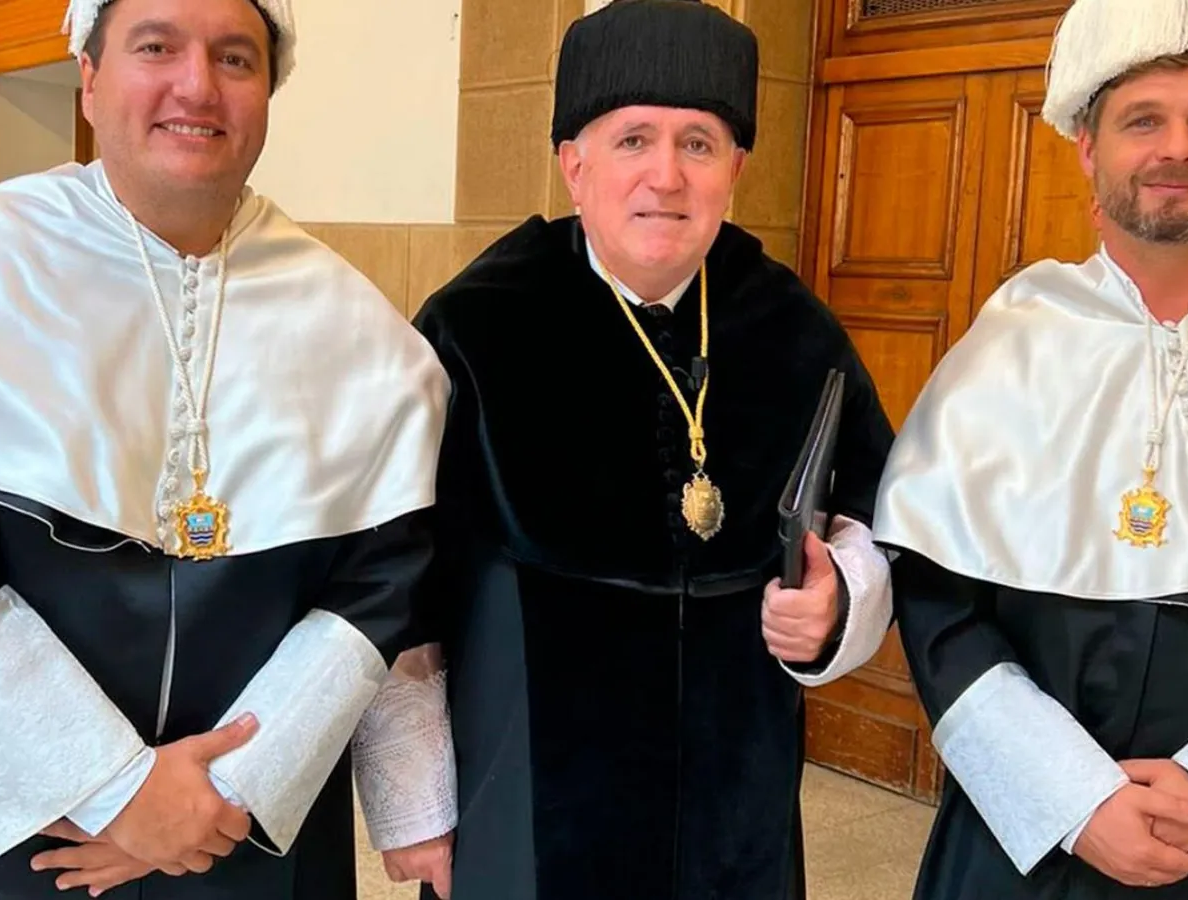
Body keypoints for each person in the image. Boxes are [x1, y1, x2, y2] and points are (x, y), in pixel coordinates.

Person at [0, 0, 449, 896]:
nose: (197, 86)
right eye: (156, 47)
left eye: (235, 58)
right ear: (89, 78)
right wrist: (112, 789)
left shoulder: (359, 333)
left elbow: (380, 583)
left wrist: (224, 790)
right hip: (5, 818)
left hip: (237, 831)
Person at [353, 2, 900, 898]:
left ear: (736, 170)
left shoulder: (795, 328)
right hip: (530, 793)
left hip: (737, 801)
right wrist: (414, 802)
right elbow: (391, 566)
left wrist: (841, 599)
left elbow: (875, 511)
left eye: (699, 144)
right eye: (633, 140)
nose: (667, 176)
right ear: (575, 165)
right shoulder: (479, 326)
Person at [874, 0, 1188, 897]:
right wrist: (1071, 798)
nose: (1178, 148)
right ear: (1088, 148)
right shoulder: (1006, 346)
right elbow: (940, 611)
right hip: (1034, 844)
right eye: (1143, 120)